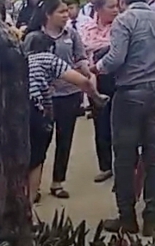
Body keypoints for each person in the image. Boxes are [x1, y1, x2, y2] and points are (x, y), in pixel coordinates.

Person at [94, 0, 155, 236]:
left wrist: (96, 68)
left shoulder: (124, 20)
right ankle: (152, 216)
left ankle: (127, 217)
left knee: (124, 156)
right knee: (153, 155)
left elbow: (115, 58)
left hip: (130, 93)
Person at [25, 33, 103, 216]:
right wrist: (97, 97)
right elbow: (81, 80)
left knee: (22, 156)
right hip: (35, 109)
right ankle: (27, 207)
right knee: (37, 158)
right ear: (50, 48)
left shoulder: (21, 59)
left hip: (15, 110)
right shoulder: (48, 58)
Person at [23, 0, 89, 199]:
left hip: (68, 94)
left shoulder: (72, 35)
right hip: (42, 99)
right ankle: (34, 187)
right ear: (48, 15)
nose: (66, 15)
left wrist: (87, 74)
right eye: (61, 12)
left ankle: (58, 182)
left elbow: (81, 58)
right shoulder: (33, 37)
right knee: (39, 143)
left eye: (67, 11)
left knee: (64, 139)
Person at [80, 0, 120, 184]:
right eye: (110, 6)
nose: (115, 10)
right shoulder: (86, 27)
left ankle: (123, 164)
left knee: (121, 124)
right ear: (98, 9)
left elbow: (117, 50)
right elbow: (84, 48)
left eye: (117, 6)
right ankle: (105, 166)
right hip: (96, 79)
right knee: (101, 123)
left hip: (118, 78)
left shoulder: (121, 26)